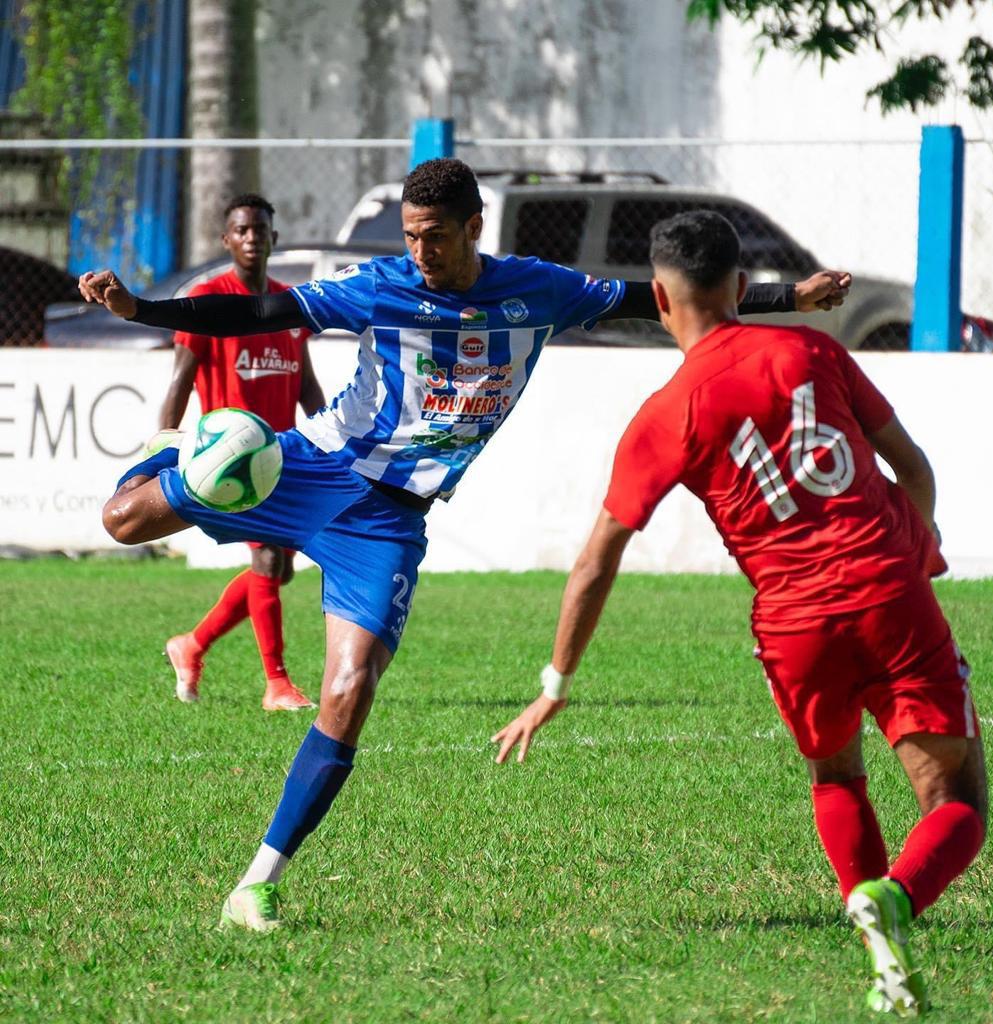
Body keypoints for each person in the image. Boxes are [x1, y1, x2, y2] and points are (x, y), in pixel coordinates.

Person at [79, 158, 851, 934]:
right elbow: (264, 312)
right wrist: (142, 307)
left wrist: (792, 297)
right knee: (122, 521)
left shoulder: (538, 289)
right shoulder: (379, 285)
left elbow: (656, 302)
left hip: (387, 518)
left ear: (475, 226)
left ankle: (256, 885)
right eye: (412, 237)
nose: (422, 251)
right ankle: (182, 446)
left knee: (349, 692)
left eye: (437, 237)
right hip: (312, 465)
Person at [491, 210, 985, 1017]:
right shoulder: (811, 349)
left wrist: (556, 680)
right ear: (742, 286)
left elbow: (596, 558)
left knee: (837, 775)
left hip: (792, 624)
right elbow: (913, 466)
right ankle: (893, 901)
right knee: (958, 799)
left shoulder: (666, 411)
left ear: (659, 296)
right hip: (888, 591)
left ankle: (879, 954)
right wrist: (918, 541)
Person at [156, 193, 325, 712]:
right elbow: (180, 381)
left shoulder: (289, 306)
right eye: (241, 230)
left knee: (274, 571)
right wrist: (165, 445)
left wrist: (331, 443)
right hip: (230, 464)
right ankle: (277, 684)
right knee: (269, 560)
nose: (252, 237)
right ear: (227, 240)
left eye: (260, 229)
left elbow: (307, 385)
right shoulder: (209, 300)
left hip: (283, 458)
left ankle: (193, 644)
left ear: (273, 238)